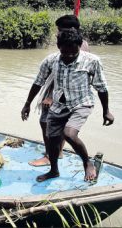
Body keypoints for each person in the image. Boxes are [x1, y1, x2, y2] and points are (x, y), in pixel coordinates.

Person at [21, 28, 114, 182]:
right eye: (65, 53)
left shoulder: (92, 61)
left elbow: (101, 88)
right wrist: (27, 104)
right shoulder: (51, 60)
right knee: (52, 139)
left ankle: (87, 163)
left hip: (81, 103)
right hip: (58, 105)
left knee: (69, 134)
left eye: (73, 53)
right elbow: (38, 82)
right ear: (59, 47)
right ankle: (54, 170)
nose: (69, 57)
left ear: (79, 46)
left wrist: (106, 111)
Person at [29, 15, 89, 167]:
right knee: (57, 124)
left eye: (60, 29)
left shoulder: (76, 46)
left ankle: (51, 155)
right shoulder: (78, 43)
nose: (57, 33)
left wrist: (50, 97)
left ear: (72, 30)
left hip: (61, 94)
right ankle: (57, 152)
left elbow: (66, 77)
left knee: (46, 122)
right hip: (60, 92)